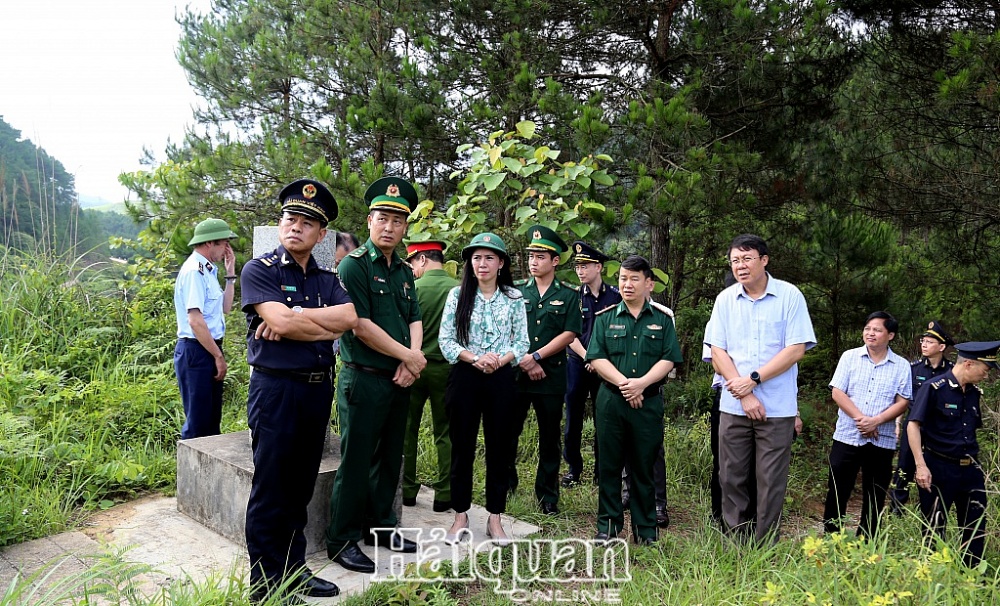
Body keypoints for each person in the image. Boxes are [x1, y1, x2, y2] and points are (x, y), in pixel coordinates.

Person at [241, 179, 357, 602]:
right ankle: (266, 585)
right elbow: (287, 324)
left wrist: (294, 316)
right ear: (280, 223)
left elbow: (348, 319)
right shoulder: (260, 270)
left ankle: (294, 571)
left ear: (320, 234)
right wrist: (307, 323)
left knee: (301, 488)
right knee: (273, 490)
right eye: (290, 218)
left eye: (307, 222)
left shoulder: (328, 278)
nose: (296, 226)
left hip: (315, 393)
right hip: (276, 392)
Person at [325, 176, 425, 574]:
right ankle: (342, 538)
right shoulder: (354, 266)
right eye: (383, 217)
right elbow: (360, 325)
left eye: (398, 221)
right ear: (369, 221)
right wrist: (410, 358)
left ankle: (381, 527)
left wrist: (411, 359)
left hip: (399, 378)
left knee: (389, 459)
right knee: (356, 459)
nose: (389, 226)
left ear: (404, 228)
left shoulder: (402, 270)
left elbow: (413, 316)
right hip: (363, 379)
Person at [704, 234, 816, 543]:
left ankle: (766, 544)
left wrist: (753, 380)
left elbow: (795, 349)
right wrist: (745, 393)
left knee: (770, 480)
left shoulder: (790, 296)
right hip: (734, 406)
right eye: (735, 260)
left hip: (777, 408)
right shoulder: (725, 299)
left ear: (764, 260)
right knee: (731, 476)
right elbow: (717, 352)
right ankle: (736, 541)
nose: (740, 266)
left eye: (747, 259)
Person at [439, 232, 530, 545]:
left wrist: (499, 361)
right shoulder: (457, 296)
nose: (482, 263)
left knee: (499, 448)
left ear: (501, 262)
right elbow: (446, 340)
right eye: (476, 257)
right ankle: (460, 515)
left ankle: (495, 517)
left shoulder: (514, 299)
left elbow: (522, 342)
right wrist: (476, 358)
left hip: (501, 378)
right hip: (465, 375)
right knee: (461, 446)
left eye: (489, 257)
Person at [586, 255, 682, 545]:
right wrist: (626, 385)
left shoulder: (663, 320)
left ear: (649, 283)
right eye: (623, 279)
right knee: (610, 466)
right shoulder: (605, 318)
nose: (627, 284)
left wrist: (641, 384)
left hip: (648, 402)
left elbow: (669, 358)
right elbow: (596, 357)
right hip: (611, 402)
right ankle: (609, 527)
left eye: (634, 279)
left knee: (644, 466)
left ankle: (645, 530)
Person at [508, 225, 581, 516]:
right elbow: (507, 329)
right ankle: (506, 486)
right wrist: (524, 358)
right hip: (516, 374)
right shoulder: (514, 292)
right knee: (508, 434)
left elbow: (570, 333)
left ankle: (548, 495)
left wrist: (536, 356)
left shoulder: (568, 295)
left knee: (550, 439)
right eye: (531, 256)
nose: (534, 261)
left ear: (555, 261)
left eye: (541, 256)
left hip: (550, 377)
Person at [908, 340, 999, 568]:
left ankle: (971, 574)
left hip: (970, 470)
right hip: (939, 467)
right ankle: (931, 573)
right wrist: (920, 465)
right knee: (934, 525)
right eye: (985, 370)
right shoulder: (934, 388)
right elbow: (913, 425)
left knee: (975, 525)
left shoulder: (973, 393)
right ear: (969, 364)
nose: (986, 376)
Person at [822, 311, 912, 537]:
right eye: (867, 329)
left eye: (877, 330)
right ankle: (832, 538)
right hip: (847, 435)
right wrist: (861, 420)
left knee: (875, 491)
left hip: (882, 439)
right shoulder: (849, 357)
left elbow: (903, 401)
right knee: (838, 488)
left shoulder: (901, 365)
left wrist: (877, 421)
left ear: (890, 335)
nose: (870, 334)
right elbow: (837, 392)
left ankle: (867, 540)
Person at [401, 240, 459, 512]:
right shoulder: (458, 289)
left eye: (413, 263)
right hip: (447, 369)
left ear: (422, 260)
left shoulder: (412, 288)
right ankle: (444, 495)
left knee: (407, 430)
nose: (412, 269)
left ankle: (408, 491)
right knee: (446, 433)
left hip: (412, 367)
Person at [562, 241, 620, 488]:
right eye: (577, 267)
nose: (580, 271)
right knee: (573, 418)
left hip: (606, 366)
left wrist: (600, 361)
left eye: (585, 266)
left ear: (599, 267)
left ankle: (601, 471)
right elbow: (570, 334)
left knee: (604, 419)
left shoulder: (616, 297)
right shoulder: (574, 297)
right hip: (578, 362)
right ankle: (574, 469)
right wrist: (588, 357)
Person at [173, 218, 237, 440]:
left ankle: (209, 474)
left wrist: (230, 274)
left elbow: (225, 308)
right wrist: (217, 356)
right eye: (224, 244)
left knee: (211, 422)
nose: (226, 250)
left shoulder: (208, 271)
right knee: (198, 424)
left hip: (207, 348)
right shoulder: (194, 271)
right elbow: (195, 321)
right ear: (210, 243)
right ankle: (191, 474)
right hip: (196, 350)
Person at [889, 321, 954, 514]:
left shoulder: (951, 371)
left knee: (934, 469)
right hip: (913, 427)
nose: (924, 345)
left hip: (938, 429)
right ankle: (895, 513)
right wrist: (898, 423)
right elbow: (903, 399)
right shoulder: (914, 369)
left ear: (941, 347)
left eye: (929, 342)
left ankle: (929, 513)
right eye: (923, 341)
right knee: (904, 469)